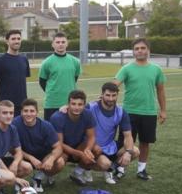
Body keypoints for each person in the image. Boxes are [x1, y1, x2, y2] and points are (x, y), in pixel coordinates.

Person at [114, 38, 167, 180]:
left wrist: (163, 110)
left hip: (149, 112)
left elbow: (161, 91)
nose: (140, 51)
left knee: (145, 142)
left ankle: (141, 170)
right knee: (126, 141)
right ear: (133, 52)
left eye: (143, 48)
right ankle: (120, 168)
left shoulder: (156, 70)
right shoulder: (126, 68)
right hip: (129, 112)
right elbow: (114, 85)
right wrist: (104, 96)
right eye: (137, 48)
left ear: (148, 50)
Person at [86, 83, 139, 184]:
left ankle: (111, 169)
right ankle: (85, 168)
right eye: (108, 95)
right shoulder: (91, 107)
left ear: (117, 95)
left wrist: (128, 153)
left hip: (110, 146)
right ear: (102, 95)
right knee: (105, 164)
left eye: (114, 95)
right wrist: (66, 107)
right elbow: (76, 109)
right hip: (93, 148)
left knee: (135, 151)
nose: (111, 99)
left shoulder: (121, 112)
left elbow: (128, 136)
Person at [49, 90, 102, 185]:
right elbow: (59, 144)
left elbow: (92, 137)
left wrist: (88, 150)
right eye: (73, 104)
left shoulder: (88, 114)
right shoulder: (57, 117)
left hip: (78, 145)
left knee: (97, 149)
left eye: (80, 104)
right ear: (68, 104)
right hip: (62, 149)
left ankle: (77, 172)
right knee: (60, 161)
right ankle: (48, 174)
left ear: (84, 105)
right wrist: (79, 154)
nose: (76, 107)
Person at [12, 99, 65, 193]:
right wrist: (31, 158)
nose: (28, 114)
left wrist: (51, 159)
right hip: (23, 156)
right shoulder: (15, 124)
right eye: (25, 111)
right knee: (22, 166)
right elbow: (12, 149)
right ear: (21, 112)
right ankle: (18, 181)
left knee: (60, 162)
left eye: (32, 111)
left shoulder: (46, 126)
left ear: (37, 112)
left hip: (42, 157)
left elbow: (58, 147)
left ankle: (39, 177)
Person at [0, 100, 33, 194]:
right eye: (4, 113)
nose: (8, 116)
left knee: (27, 167)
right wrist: (14, 178)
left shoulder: (12, 128)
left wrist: (15, 163)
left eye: (11, 113)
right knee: (10, 176)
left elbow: (18, 151)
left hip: (0, 159)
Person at [39, 32, 81, 120]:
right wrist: (53, 92)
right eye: (57, 42)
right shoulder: (47, 62)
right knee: (50, 131)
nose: (60, 44)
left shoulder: (75, 61)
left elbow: (74, 78)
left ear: (67, 44)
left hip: (70, 103)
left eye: (63, 42)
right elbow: (42, 81)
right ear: (53, 44)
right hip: (52, 104)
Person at [0, 30, 30, 117]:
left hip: (23, 104)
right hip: (7, 105)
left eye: (18, 38)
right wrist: (1, 97)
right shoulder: (0, 61)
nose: (16, 41)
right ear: (7, 41)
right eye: (13, 39)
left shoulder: (24, 59)